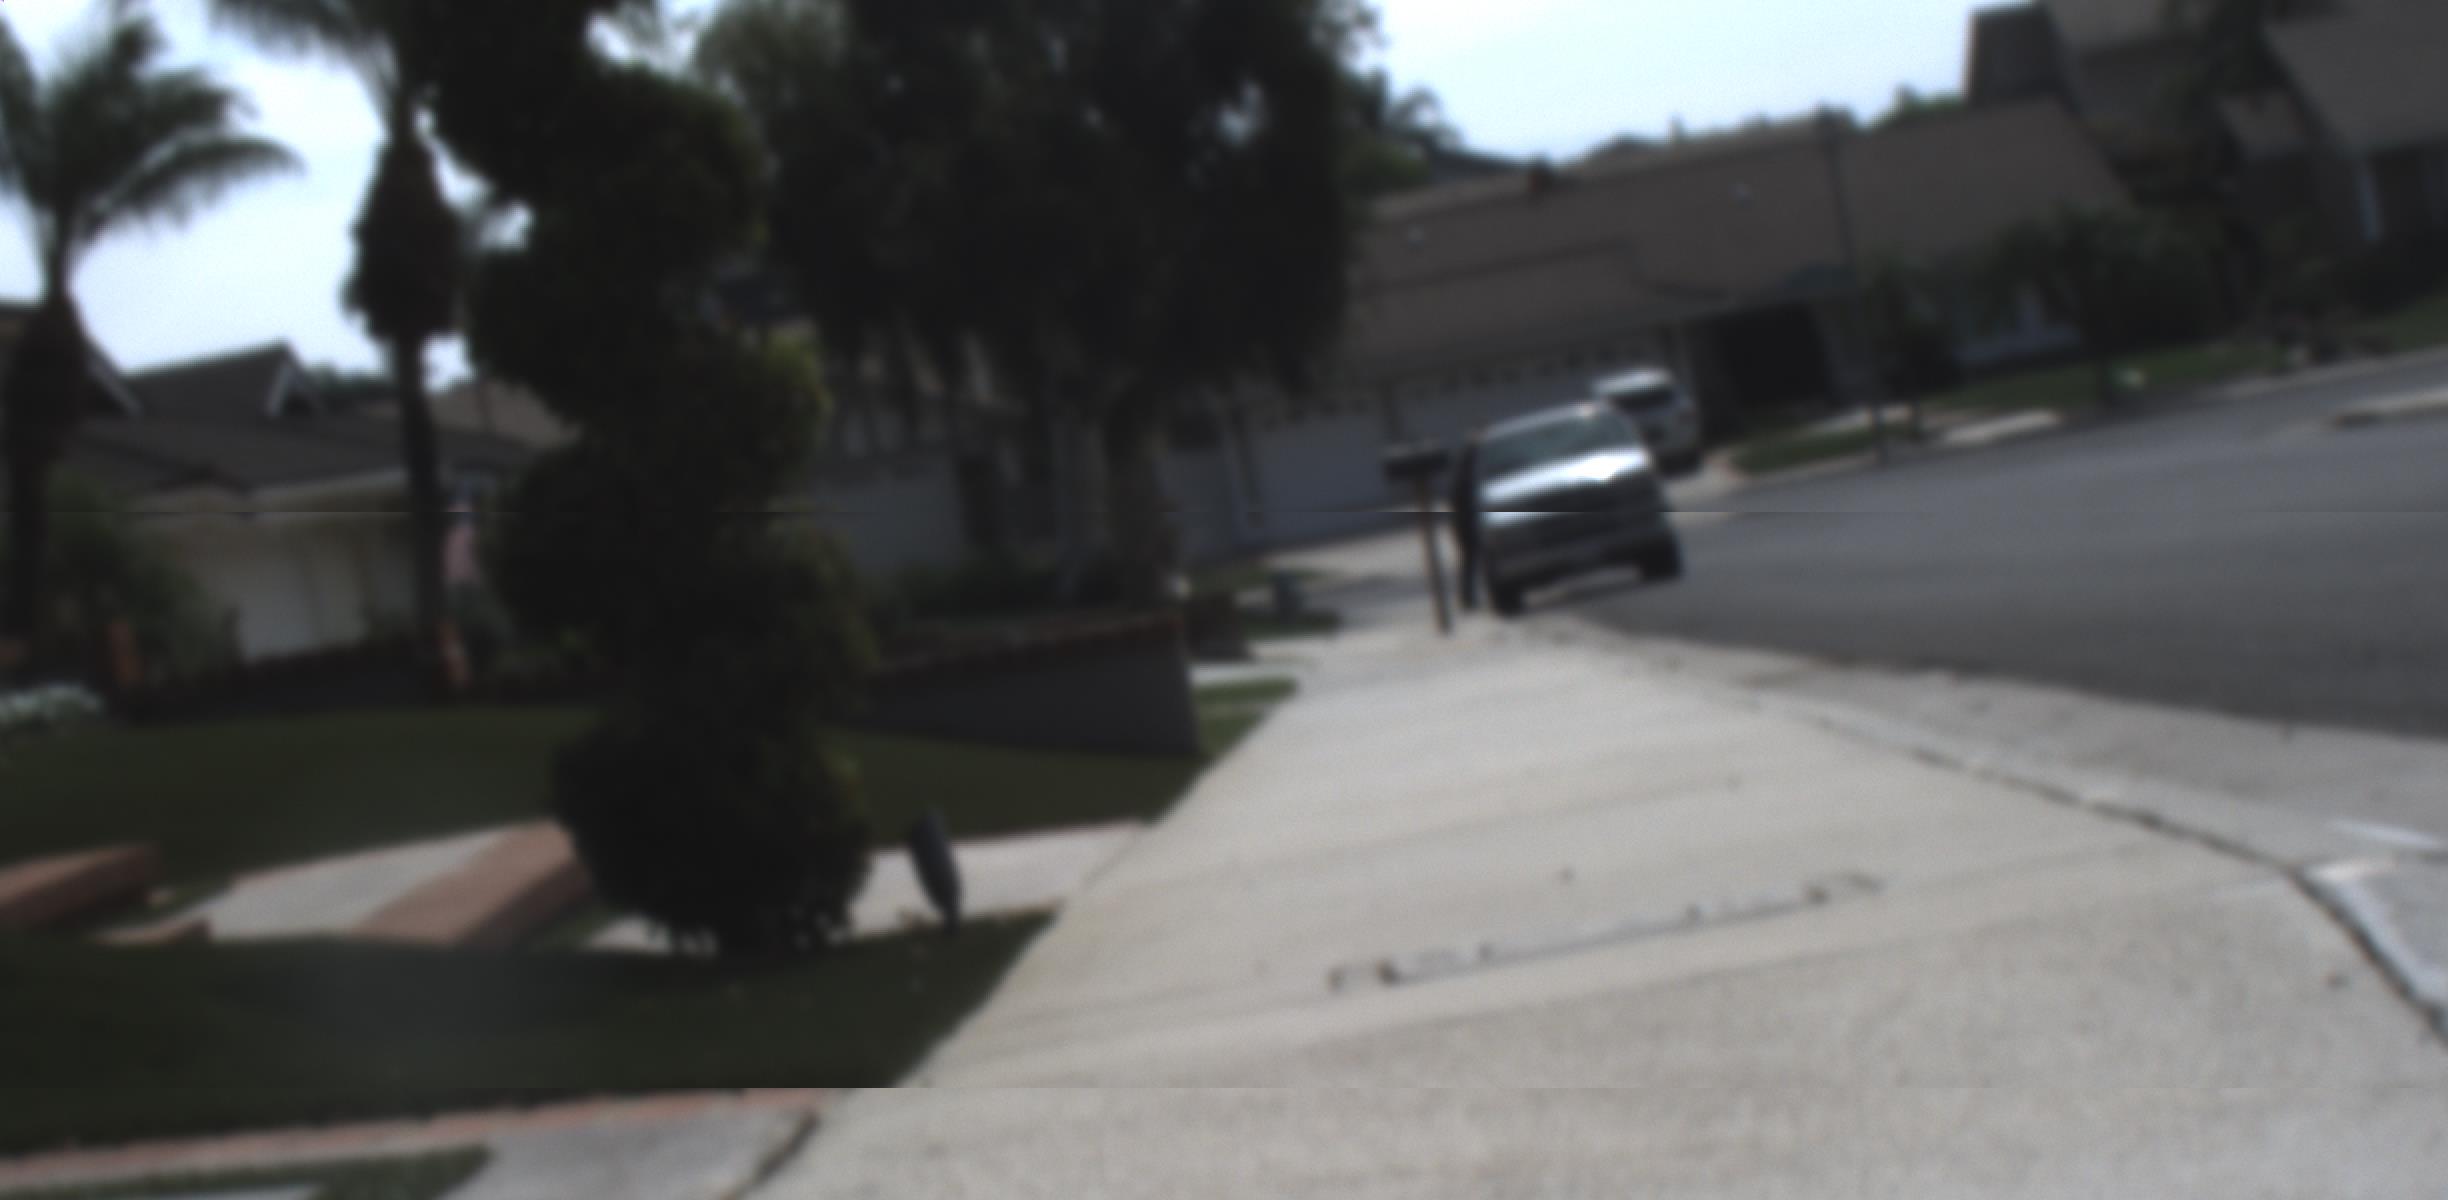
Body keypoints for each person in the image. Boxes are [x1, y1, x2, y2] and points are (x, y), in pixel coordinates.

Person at [1448, 438, 1483, 611]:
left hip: (1464, 522)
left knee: (1470, 561)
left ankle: (1468, 597)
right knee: (1470, 560)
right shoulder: (1466, 476)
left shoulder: (1463, 474)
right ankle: (1467, 597)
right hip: (1466, 523)